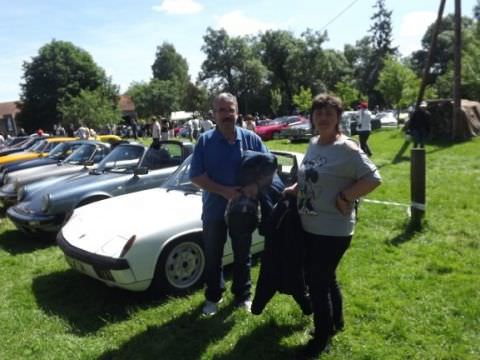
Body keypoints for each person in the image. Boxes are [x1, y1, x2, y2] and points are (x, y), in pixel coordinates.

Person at [284, 93, 381, 358]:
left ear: (338, 117)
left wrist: (345, 196)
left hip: (333, 229)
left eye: (329, 113)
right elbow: (311, 174)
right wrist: (296, 188)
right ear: (312, 118)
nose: (323, 118)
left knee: (317, 282)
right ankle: (336, 321)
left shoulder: (347, 149)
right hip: (309, 225)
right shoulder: (314, 143)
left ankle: (321, 337)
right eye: (318, 113)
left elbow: (373, 178)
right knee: (326, 277)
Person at [189, 92, 268, 316]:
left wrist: (255, 187)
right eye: (221, 110)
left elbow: (268, 168)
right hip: (214, 210)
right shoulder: (205, 141)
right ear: (213, 114)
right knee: (213, 255)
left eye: (230, 110)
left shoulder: (251, 139)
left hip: (244, 211)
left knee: (243, 254)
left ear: (237, 112)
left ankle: (243, 296)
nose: (226, 114)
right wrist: (224, 191)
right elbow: (196, 176)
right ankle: (213, 297)